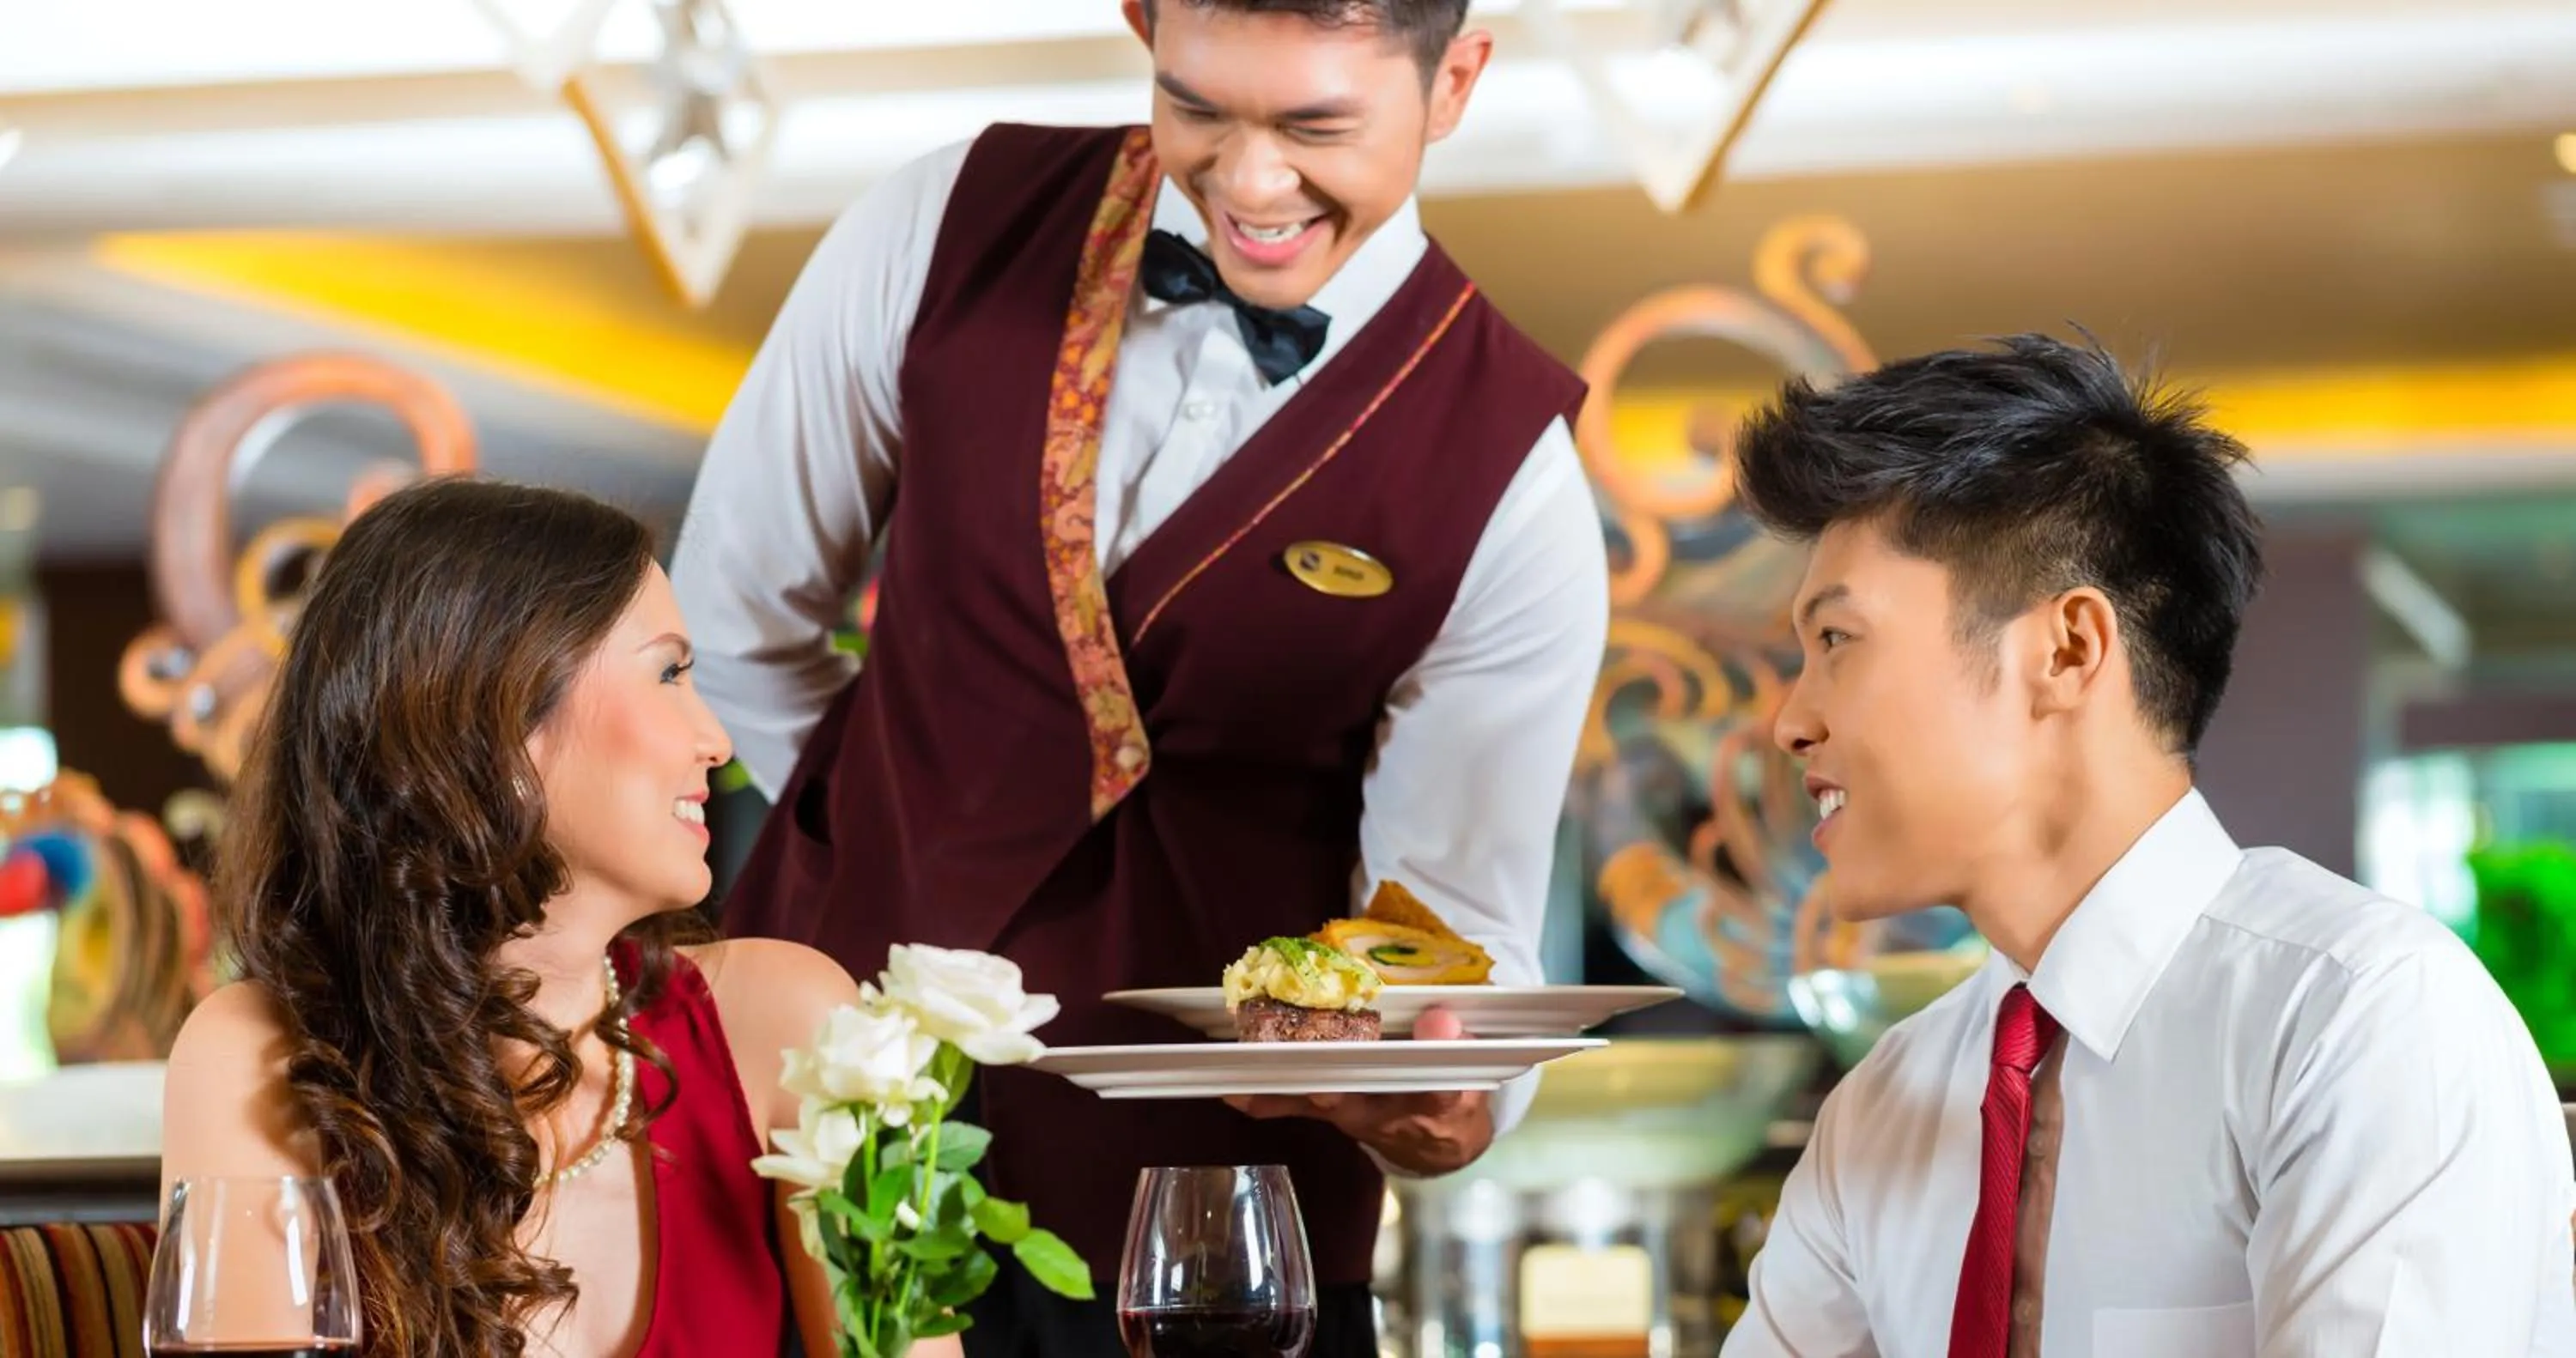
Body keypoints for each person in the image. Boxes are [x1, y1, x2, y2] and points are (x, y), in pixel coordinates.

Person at [670, 1, 1607, 1352]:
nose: (1251, 180)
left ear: (1454, 80)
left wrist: (1450, 1096)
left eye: (1314, 125)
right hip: (816, 1150)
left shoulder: (1513, 477)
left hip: (1204, 1230)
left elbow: (1445, 917)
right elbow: (735, 616)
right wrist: (897, 827)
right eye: (1199, 108)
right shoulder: (940, 223)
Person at [1716, 334, 2576, 1357]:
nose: (1790, 722)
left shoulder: (2357, 1021)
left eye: (1835, 642)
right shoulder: (1882, 1107)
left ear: (2068, 650)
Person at [159, 478, 966, 1358]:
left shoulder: (794, 1021)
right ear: (498, 720)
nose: (718, 741)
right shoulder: (257, 1054)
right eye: (669, 672)